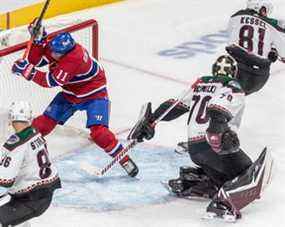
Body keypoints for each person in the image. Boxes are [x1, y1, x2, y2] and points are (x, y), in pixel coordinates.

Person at [128, 55, 273, 220]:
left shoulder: (201, 84)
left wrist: (152, 120)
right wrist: (217, 131)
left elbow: (174, 106)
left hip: (195, 150)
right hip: (214, 147)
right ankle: (222, 205)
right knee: (248, 172)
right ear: (234, 72)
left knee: (225, 175)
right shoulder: (233, 87)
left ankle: (192, 182)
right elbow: (217, 109)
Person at [11, 19, 138, 177]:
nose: (52, 54)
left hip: (93, 94)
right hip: (70, 93)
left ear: (65, 53)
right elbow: (35, 61)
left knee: (99, 133)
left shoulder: (74, 59)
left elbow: (50, 81)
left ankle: (124, 159)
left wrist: (27, 72)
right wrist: (38, 40)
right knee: (42, 125)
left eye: (55, 53)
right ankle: (17, 153)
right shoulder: (57, 48)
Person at [0, 101, 61, 227]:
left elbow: (5, 181)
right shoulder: (35, 133)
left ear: (11, 118)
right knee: (18, 221)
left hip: (31, 199)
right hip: (42, 194)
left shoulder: (16, 145)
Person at [226, 0, 285, 95]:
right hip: (259, 77)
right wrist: (273, 50)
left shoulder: (236, 16)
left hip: (236, 67)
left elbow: (230, 35)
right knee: (239, 96)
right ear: (260, 8)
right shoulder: (271, 25)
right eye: (265, 10)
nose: (265, 14)